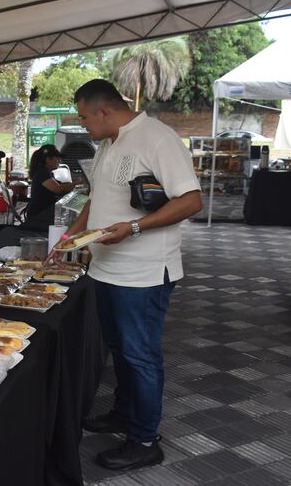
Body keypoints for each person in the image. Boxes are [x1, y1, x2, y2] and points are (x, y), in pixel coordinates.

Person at [48, 79, 202, 471]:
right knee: (120, 349)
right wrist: (69, 238)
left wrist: (134, 228)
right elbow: (96, 200)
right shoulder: (107, 143)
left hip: (143, 273)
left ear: (103, 111)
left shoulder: (158, 138)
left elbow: (191, 200)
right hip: (106, 268)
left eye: (84, 117)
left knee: (140, 356)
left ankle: (145, 440)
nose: (83, 125)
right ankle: (124, 413)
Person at [24, 145, 82, 229]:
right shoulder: (42, 173)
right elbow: (58, 189)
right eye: (57, 159)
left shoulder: (48, 173)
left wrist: (74, 183)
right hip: (39, 216)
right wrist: (77, 183)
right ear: (48, 159)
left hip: (45, 213)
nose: (59, 161)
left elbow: (62, 186)